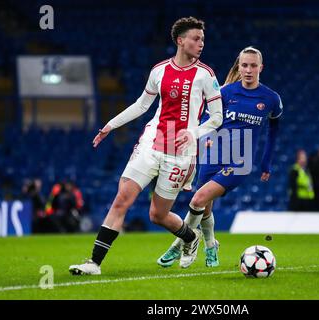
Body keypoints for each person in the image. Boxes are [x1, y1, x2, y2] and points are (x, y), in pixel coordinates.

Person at [69, 17, 223, 275]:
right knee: (122, 199)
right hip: (152, 142)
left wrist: (193, 133)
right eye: (196, 39)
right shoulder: (159, 70)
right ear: (180, 40)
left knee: (158, 215)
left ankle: (189, 238)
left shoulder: (206, 75)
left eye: (203, 40)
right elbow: (142, 105)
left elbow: (217, 117)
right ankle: (94, 262)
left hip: (181, 154)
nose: (201, 44)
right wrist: (110, 125)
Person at [157, 46, 283, 268]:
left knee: (198, 199)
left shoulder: (271, 98)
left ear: (261, 68)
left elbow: (274, 129)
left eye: (253, 65)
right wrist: (206, 138)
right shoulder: (224, 92)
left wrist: (266, 162)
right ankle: (211, 245)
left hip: (240, 161)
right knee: (205, 205)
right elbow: (209, 120)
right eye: (244, 65)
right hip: (213, 152)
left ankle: (179, 244)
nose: (248, 70)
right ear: (239, 66)